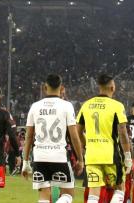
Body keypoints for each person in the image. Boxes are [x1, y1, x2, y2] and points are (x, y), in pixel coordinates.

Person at [22, 74, 84, 203]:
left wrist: (25, 162)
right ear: (61, 88)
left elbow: (28, 137)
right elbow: (74, 136)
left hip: (39, 157)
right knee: (68, 195)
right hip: (59, 157)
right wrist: (80, 159)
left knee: (44, 197)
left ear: (45, 87)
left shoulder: (35, 106)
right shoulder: (66, 106)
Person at [77, 74, 132, 203]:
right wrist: (128, 156)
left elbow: (78, 131)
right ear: (112, 87)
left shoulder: (86, 105)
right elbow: (123, 133)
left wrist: (86, 144)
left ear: (99, 87)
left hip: (92, 156)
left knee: (93, 193)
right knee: (119, 188)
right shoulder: (117, 106)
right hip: (111, 155)